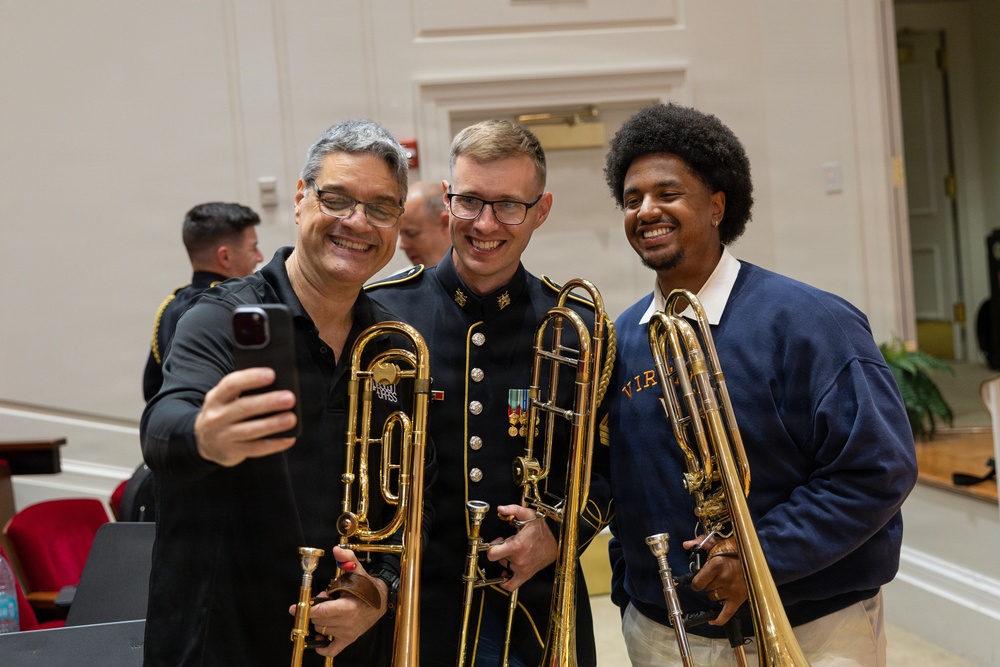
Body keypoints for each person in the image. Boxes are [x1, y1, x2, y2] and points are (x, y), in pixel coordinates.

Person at [602, 102, 918, 667]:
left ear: (718, 205)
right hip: (664, 636)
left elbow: (877, 468)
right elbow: (620, 486)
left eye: (667, 193)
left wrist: (759, 555)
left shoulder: (812, 322)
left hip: (815, 632)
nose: (647, 210)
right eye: (632, 199)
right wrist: (632, 594)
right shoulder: (621, 338)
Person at [141, 119, 434, 666]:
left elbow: (418, 495)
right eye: (337, 198)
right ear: (300, 200)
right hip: (222, 640)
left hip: (343, 645)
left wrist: (380, 591)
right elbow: (162, 429)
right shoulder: (219, 318)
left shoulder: (393, 347)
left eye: (381, 207)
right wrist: (207, 436)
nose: (357, 222)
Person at [368, 119, 613, 666]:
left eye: (508, 206)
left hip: (536, 611)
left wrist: (557, 534)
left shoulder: (576, 326)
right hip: (411, 611)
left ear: (541, 210)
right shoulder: (381, 315)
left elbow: (610, 462)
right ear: (447, 201)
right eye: (470, 201)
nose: (486, 224)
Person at [142, 202, 263, 401]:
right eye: (253, 248)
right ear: (224, 257)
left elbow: (153, 389)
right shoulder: (236, 308)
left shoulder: (170, 306)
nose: (260, 257)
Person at [397, 180, 452, 267]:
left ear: (446, 223)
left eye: (410, 233)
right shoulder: (400, 280)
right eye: (400, 234)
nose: (402, 245)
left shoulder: (477, 276)